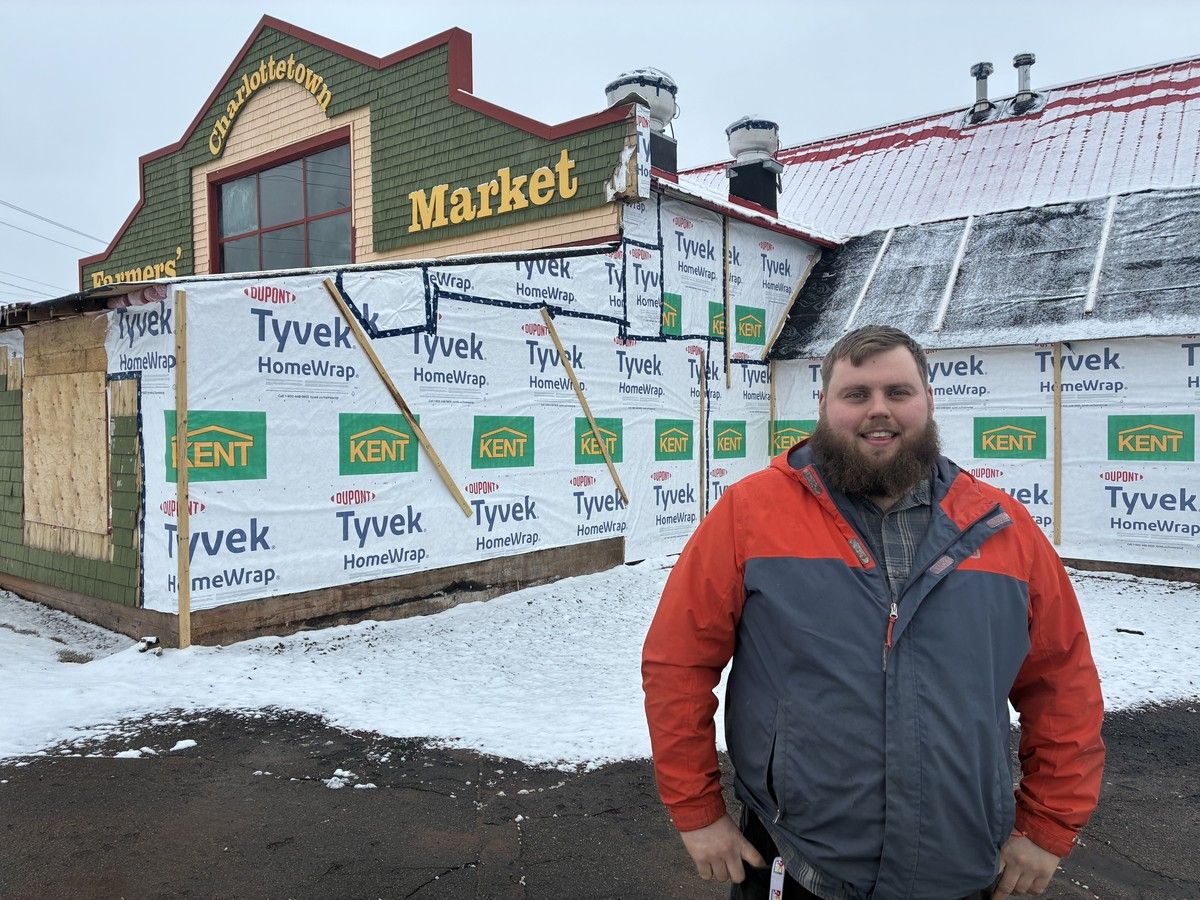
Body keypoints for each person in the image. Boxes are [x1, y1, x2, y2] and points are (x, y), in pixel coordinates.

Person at [642, 326, 1104, 899]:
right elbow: (677, 663)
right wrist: (697, 812)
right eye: (856, 394)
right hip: (799, 857)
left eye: (898, 392)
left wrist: (1049, 824)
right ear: (824, 406)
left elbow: (1063, 683)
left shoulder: (1001, 526)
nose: (878, 411)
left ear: (929, 401)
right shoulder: (749, 515)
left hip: (958, 865)